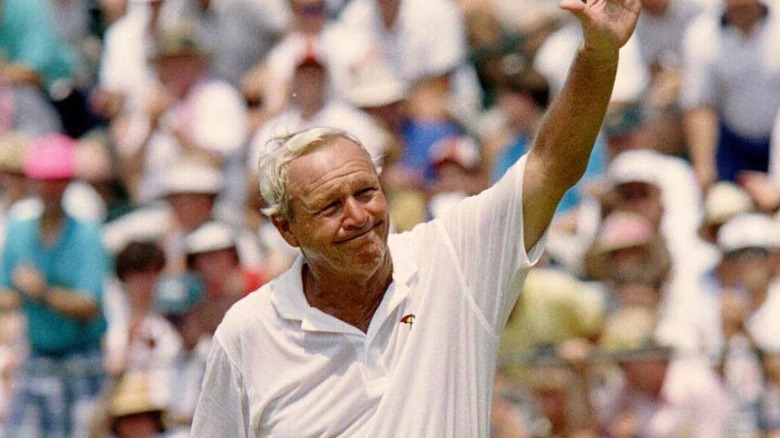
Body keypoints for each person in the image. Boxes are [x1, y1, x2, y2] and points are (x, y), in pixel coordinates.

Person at [191, 0, 641, 433]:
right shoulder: (248, 332)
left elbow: (550, 165)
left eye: (366, 192)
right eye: (330, 206)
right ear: (285, 228)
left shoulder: (453, 260)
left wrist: (598, 55)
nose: (357, 216)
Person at [0, 133, 109, 437]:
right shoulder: (18, 232)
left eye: (58, 181)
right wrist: (27, 293)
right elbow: (5, 293)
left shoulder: (87, 236)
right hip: (37, 355)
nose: (50, 189)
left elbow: (90, 304)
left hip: (82, 357)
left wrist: (41, 292)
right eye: (44, 181)